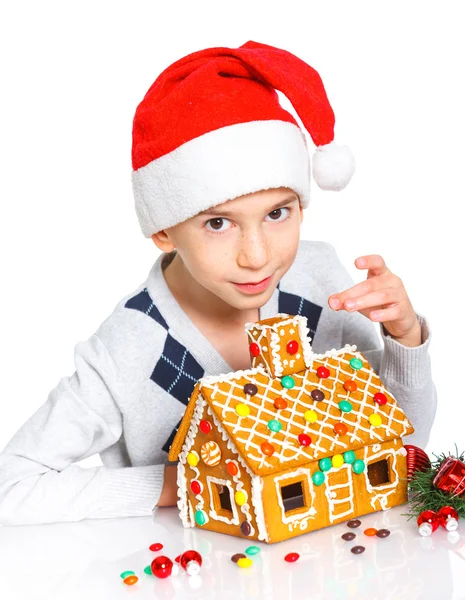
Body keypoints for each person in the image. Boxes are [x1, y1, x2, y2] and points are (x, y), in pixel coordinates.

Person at [0, 40, 436, 526]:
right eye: (217, 223)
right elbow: (10, 488)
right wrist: (180, 481)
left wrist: (404, 339)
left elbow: (405, 446)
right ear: (163, 229)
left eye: (277, 213)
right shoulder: (127, 349)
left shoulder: (316, 283)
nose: (257, 256)